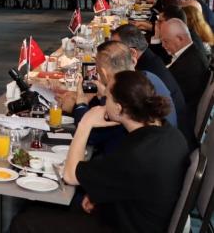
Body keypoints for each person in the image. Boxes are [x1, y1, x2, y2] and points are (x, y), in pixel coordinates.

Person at [12, 71, 188, 233]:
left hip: (125, 227)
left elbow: (70, 176)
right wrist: (100, 195)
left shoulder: (135, 153)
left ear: (118, 108)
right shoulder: (171, 134)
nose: (103, 97)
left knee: (24, 223)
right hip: (145, 217)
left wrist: (85, 124)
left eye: (107, 96)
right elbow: (135, 183)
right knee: (44, 209)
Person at [112, 24, 192, 143]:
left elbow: (129, 110)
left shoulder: (144, 74)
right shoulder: (150, 60)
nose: (111, 55)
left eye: (114, 50)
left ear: (132, 52)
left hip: (166, 138)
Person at [162, 18, 210, 119]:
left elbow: (169, 99)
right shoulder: (190, 50)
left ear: (180, 38)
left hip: (179, 115)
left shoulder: (189, 66)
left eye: (166, 41)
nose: (163, 45)